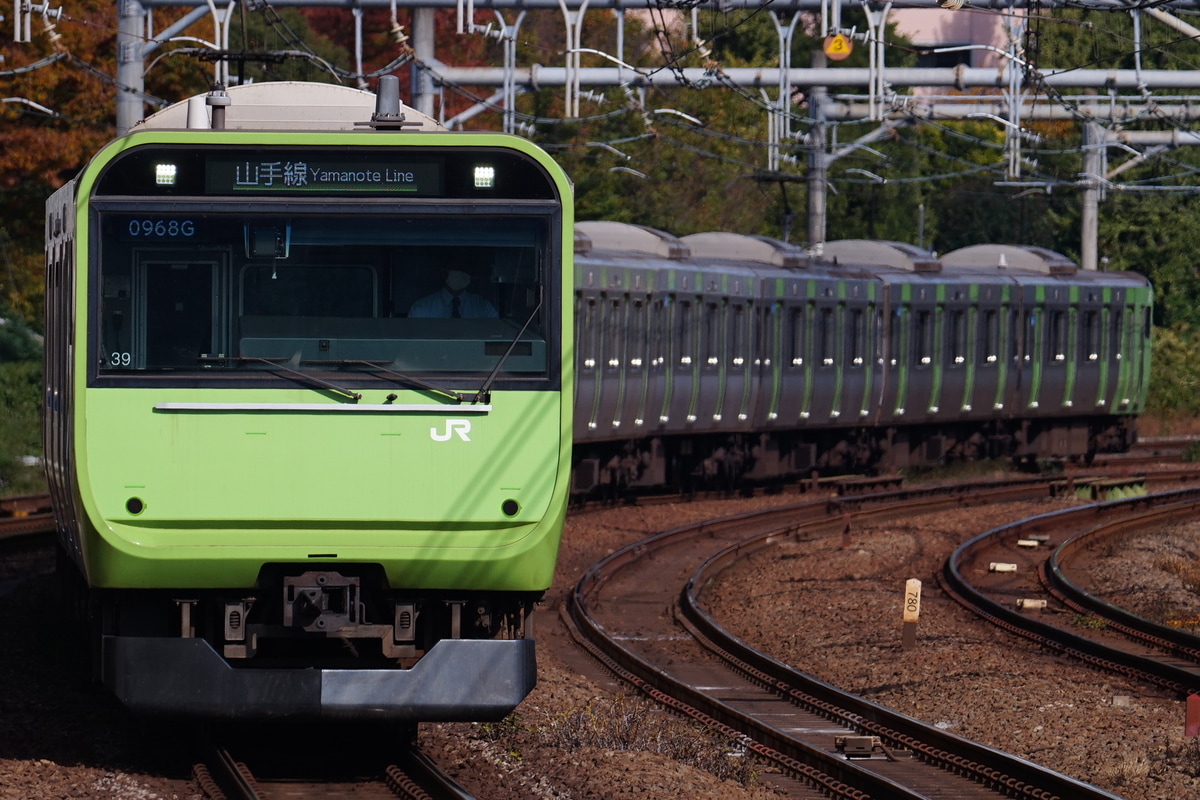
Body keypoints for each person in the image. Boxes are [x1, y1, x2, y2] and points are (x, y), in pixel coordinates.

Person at [408, 269, 498, 318]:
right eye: (455, 268)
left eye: (463, 268)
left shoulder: (484, 309)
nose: (459, 272)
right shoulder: (421, 308)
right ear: (444, 273)